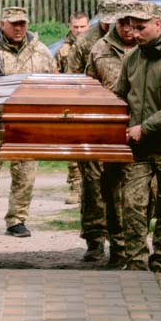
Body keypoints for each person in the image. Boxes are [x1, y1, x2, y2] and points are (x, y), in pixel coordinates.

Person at [0, 6, 56, 238]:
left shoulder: (41, 52)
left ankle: (17, 219)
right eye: (14, 24)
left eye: (23, 23)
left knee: (25, 174)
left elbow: (52, 87)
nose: (19, 28)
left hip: (26, 125)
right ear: (2, 23)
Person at [83, 0, 139, 265]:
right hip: (107, 132)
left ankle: (136, 249)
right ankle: (117, 248)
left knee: (138, 195)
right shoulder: (99, 49)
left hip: (141, 130)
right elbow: (87, 89)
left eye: (134, 23)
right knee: (110, 191)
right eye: (124, 23)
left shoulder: (146, 47)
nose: (129, 28)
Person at [112, 0, 161, 272]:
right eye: (132, 28)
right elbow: (120, 95)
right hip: (138, 148)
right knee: (132, 204)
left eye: (141, 27)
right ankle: (136, 265)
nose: (135, 33)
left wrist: (145, 127)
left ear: (158, 24)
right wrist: (118, 124)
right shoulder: (132, 58)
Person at [54, 11, 90, 203]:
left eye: (82, 26)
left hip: (91, 99)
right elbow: (57, 75)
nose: (78, 30)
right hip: (71, 100)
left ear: (88, 26)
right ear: (70, 26)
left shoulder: (96, 45)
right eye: (75, 27)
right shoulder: (63, 50)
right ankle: (76, 186)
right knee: (72, 145)